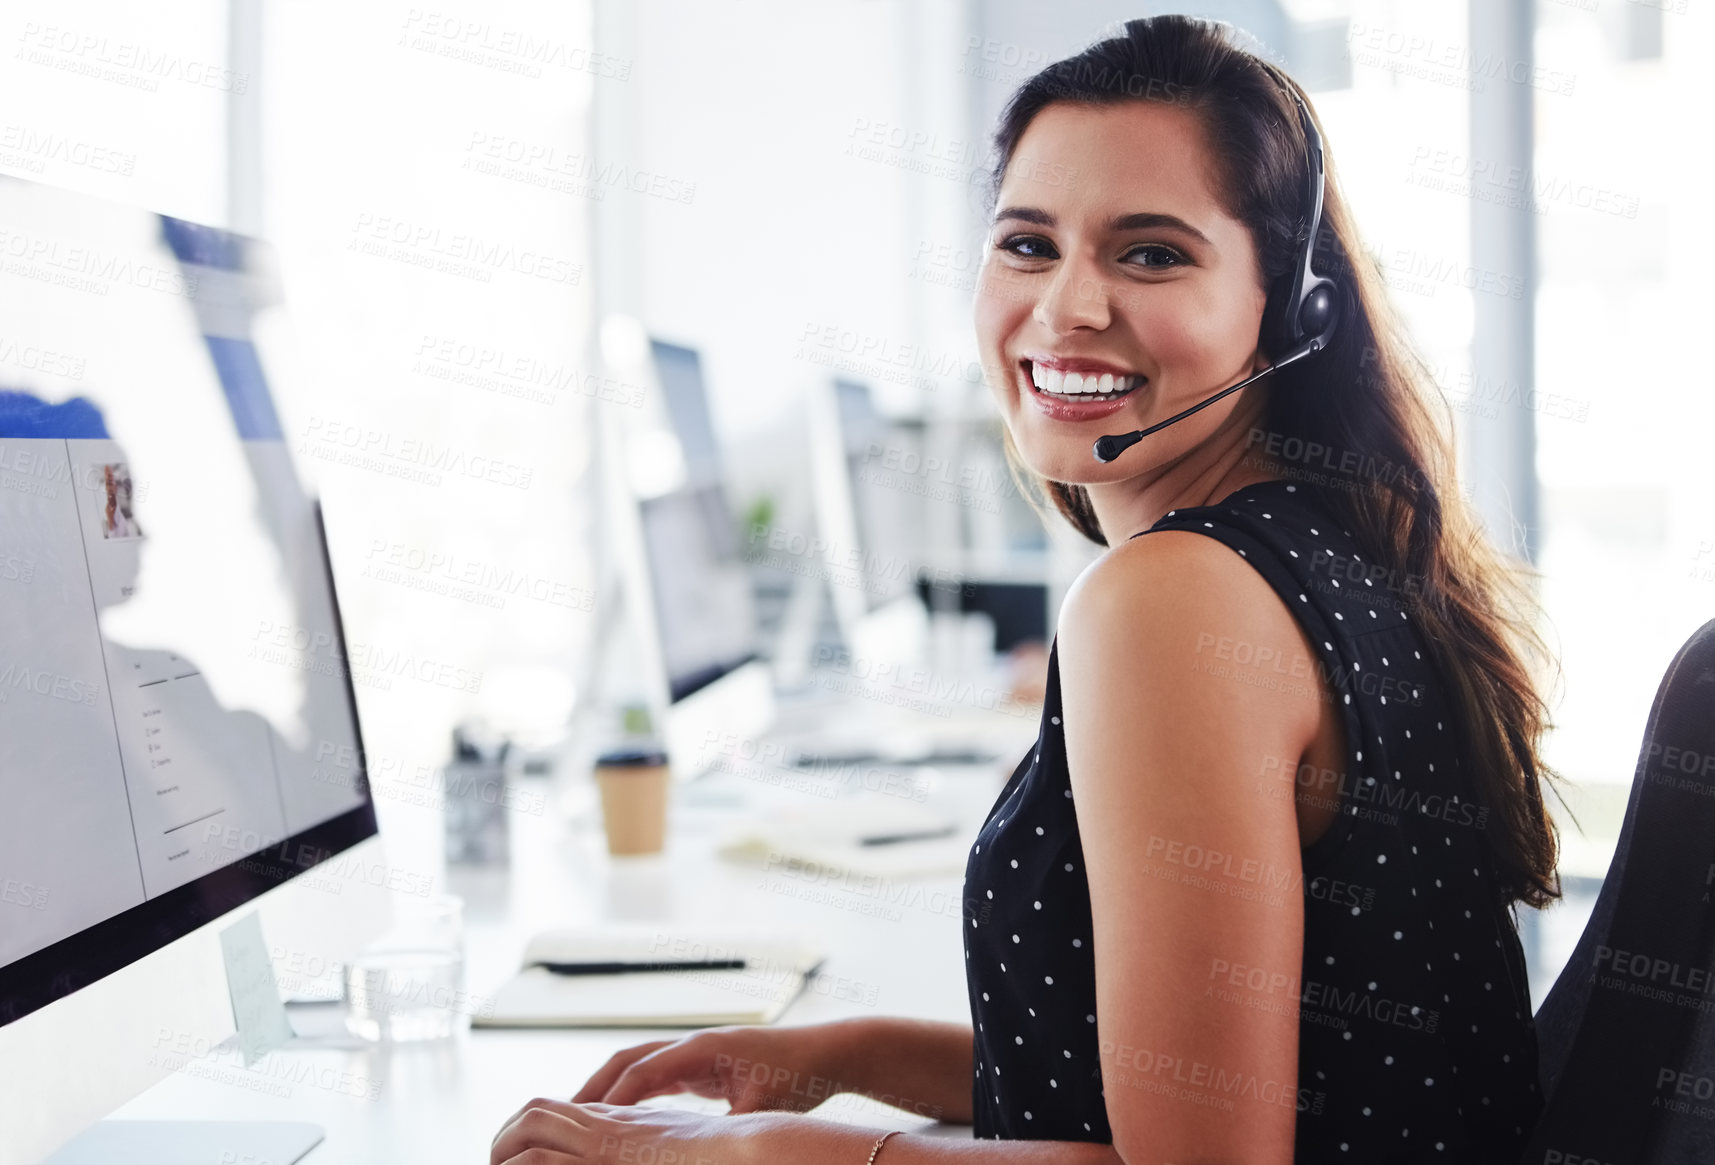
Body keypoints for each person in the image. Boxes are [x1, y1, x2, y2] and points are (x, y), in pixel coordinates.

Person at [491, 15, 1561, 1164]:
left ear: (1286, 310)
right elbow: (1207, 1072)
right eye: (1026, 244)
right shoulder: (1329, 554)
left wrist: (737, 1154)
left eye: (1149, 253)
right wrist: (844, 1055)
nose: (1064, 307)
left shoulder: (1177, 602)